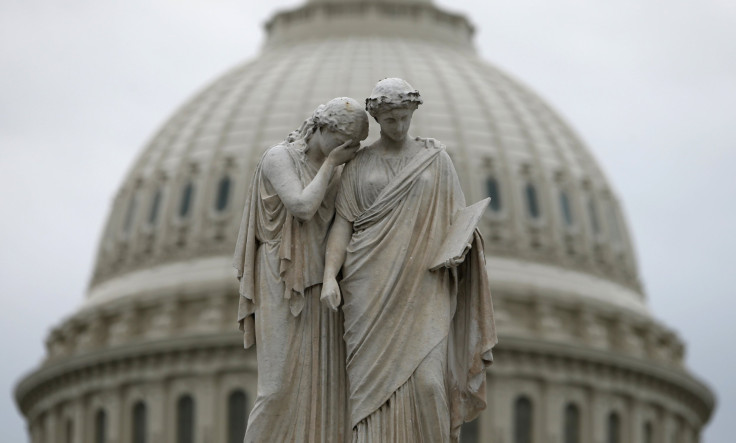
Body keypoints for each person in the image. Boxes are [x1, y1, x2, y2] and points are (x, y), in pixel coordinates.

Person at [321, 79, 497, 443]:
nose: (398, 127)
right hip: (368, 287)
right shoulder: (359, 164)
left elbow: (458, 222)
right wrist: (327, 278)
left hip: (425, 283)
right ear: (376, 118)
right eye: (390, 120)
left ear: (413, 113)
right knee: (367, 391)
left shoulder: (436, 160)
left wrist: (462, 247)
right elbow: (342, 225)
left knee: (430, 382)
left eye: (403, 118)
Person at [233, 97, 369, 442]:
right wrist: (333, 164)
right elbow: (302, 206)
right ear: (323, 128)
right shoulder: (279, 158)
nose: (347, 150)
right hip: (280, 273)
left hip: (321, 280)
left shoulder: (339, 171)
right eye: (343, 141)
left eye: (354, 145)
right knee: (276, 388)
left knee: (322, 385)